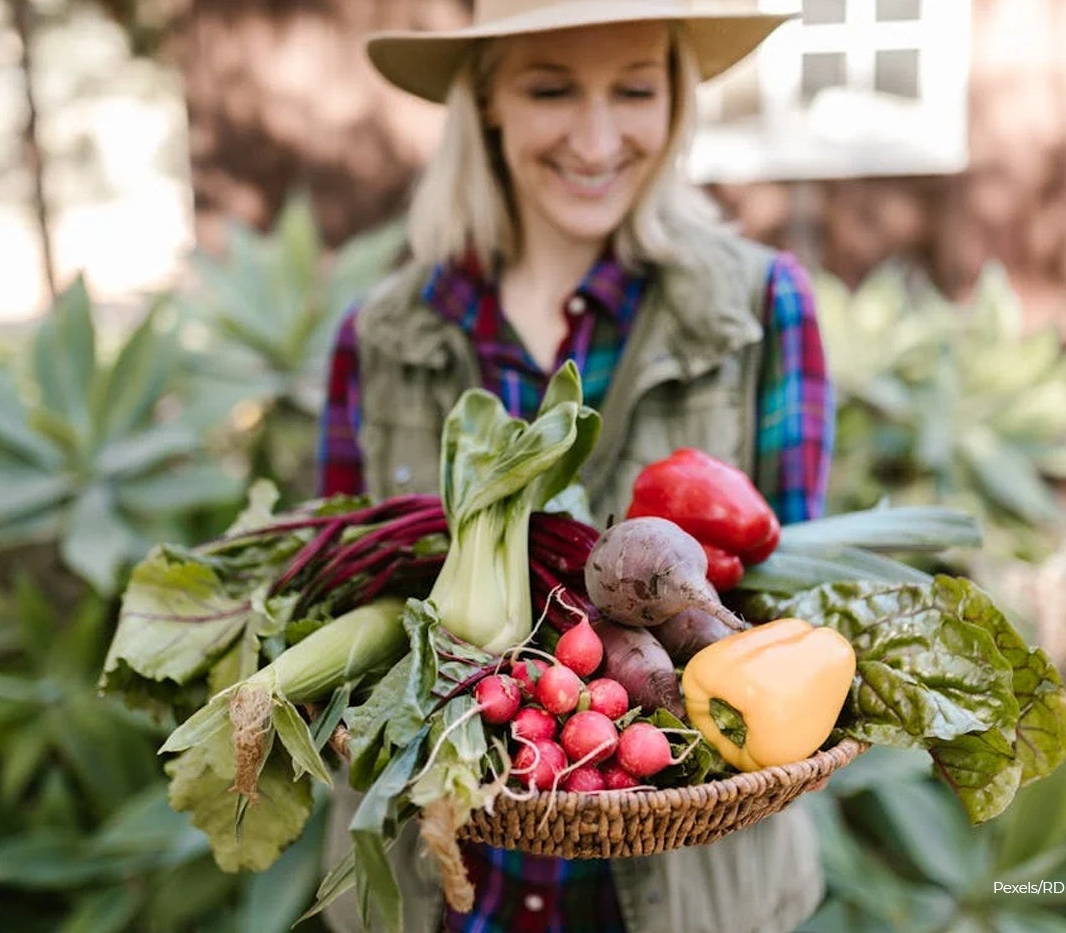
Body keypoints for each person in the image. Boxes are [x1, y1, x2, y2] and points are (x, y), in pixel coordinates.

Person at [315, 2, 835, 931]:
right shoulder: (380, 335)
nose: (597, 140)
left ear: (674, 101)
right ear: (486, 106)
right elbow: (341, 598)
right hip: (442, 889)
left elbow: (786, 610)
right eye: (550, 88)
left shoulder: (762, 308)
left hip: (691, 893)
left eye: (633, 89)